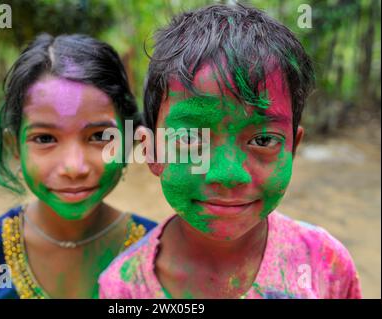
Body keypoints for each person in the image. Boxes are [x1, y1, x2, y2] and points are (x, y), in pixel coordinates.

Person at [99, 4, 362, 299]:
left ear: (292, 147)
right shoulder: (123, 288)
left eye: (263, 140)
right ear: (151, 152)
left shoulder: (326, 264)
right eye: (189, 137)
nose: (228, 175)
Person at [0, 33, 157, 299]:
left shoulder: (161, 255)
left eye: (100, 136)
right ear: (14, 148)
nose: (73, 167)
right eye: (45, 138)